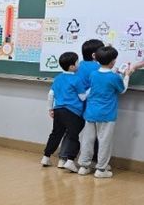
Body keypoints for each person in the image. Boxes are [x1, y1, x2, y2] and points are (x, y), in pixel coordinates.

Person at [77, 46, 133, 178]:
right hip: (106, 114)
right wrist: (127, 76)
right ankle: (101, 169)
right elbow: (122, 90)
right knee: (104, 141)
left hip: (90, 113)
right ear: (113, 62)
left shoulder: (93, 74)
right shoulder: (114, 77)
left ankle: (84, 166)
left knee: (87, 140)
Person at [57, 39, 104, 168]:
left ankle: (63, 158)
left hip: (73, 105)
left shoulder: (78, 65)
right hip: (90, 105)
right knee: (94, 133)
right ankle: (93, 161)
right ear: (94, 55)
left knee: (71, 132)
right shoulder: (99, 68)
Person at [40, 52, 86, 172]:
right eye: (77, 62)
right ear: (72, 66)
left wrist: (50, 109)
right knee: (73, 136)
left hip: (58, 110)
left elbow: (51, 94)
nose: (79, 64)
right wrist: (91, 90)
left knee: (56, 134)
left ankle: (46, 157)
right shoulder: (77, 79)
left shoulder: (58, 78)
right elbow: (82, 97)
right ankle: (70, 160)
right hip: (72, 112)